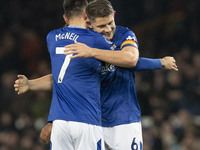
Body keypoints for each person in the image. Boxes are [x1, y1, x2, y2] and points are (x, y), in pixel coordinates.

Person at [14, 0, 178, 149]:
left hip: (123, 119)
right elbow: (65, 79)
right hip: (93, 119)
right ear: (90, 23)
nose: (107, 30)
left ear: (114, 16)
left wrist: (160, 62)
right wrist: (54, 120)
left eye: (110, 23)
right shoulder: (84, 40)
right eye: (101, 26)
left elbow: (131, 59)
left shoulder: (124, 35)